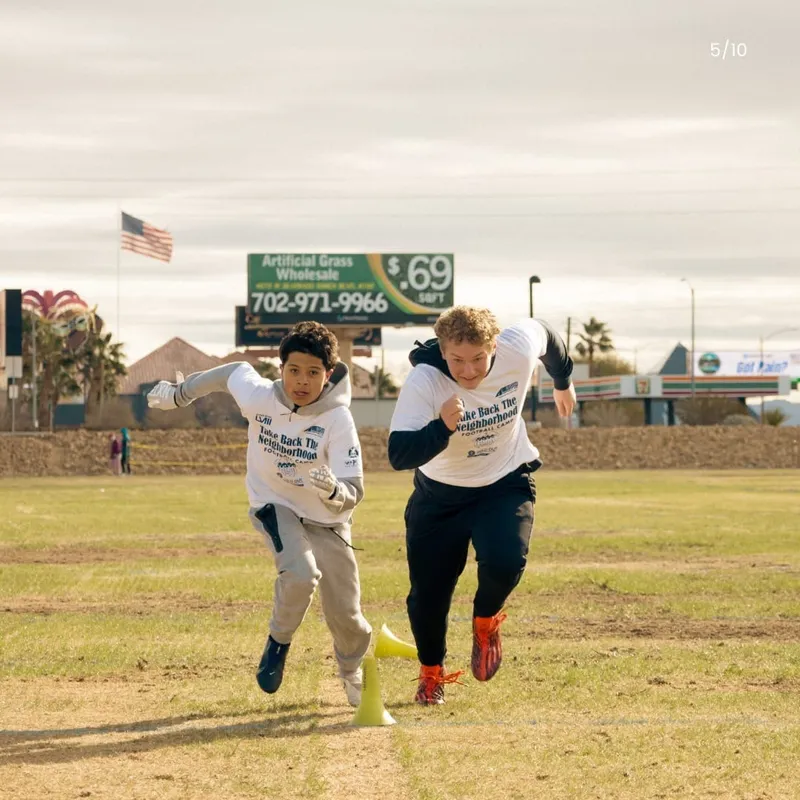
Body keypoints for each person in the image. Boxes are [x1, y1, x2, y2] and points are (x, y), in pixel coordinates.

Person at [146, 321, 372, 706]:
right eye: (294, 370)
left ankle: (351, 668)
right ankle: (277, 645)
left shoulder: (338, 419)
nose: (302, 381)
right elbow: (230, 372)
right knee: (300, 574)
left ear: (328, 374)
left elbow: (354, 490)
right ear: (279, 369)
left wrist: (334, 491)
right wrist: (179, 394)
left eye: (314, 373)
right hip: (274, 504)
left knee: (347, 612)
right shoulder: (260, 397)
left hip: (328, 520)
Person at [388, 306, 576, 705]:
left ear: (495, 346)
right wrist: (441, 427)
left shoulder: (517, 349)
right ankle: (431, 674)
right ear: (442, 350)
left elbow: (548, 335)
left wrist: (563, 381)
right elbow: (399, 454)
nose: (468, 370)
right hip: (440, 495)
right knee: (429, 597)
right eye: (456, 360)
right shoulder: (426, 380)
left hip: (504, 481)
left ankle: (486, 621)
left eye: (478, 359)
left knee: (506, 562)